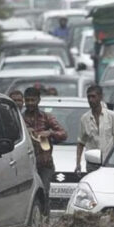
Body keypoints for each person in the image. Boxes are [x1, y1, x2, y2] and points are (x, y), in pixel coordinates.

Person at [22, 86, 67, 216]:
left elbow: (63, 134)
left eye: (33, 100)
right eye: (28, 100)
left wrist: (50, 133)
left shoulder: (47, 117)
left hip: (44, 164)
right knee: (27, 196)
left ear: (38, 100)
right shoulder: (20, 118)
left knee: (44, 193)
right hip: (26, 165)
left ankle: (44, 222)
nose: (30, 103)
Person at [76, 85, 114, 173]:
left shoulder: (111, 116)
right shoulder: (84, 118)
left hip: (108, 163)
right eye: (88, 97)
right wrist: (78, 163)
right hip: (92, 164)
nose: (90, 100)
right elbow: (81, 142)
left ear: (100, 97)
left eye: (93, 96)